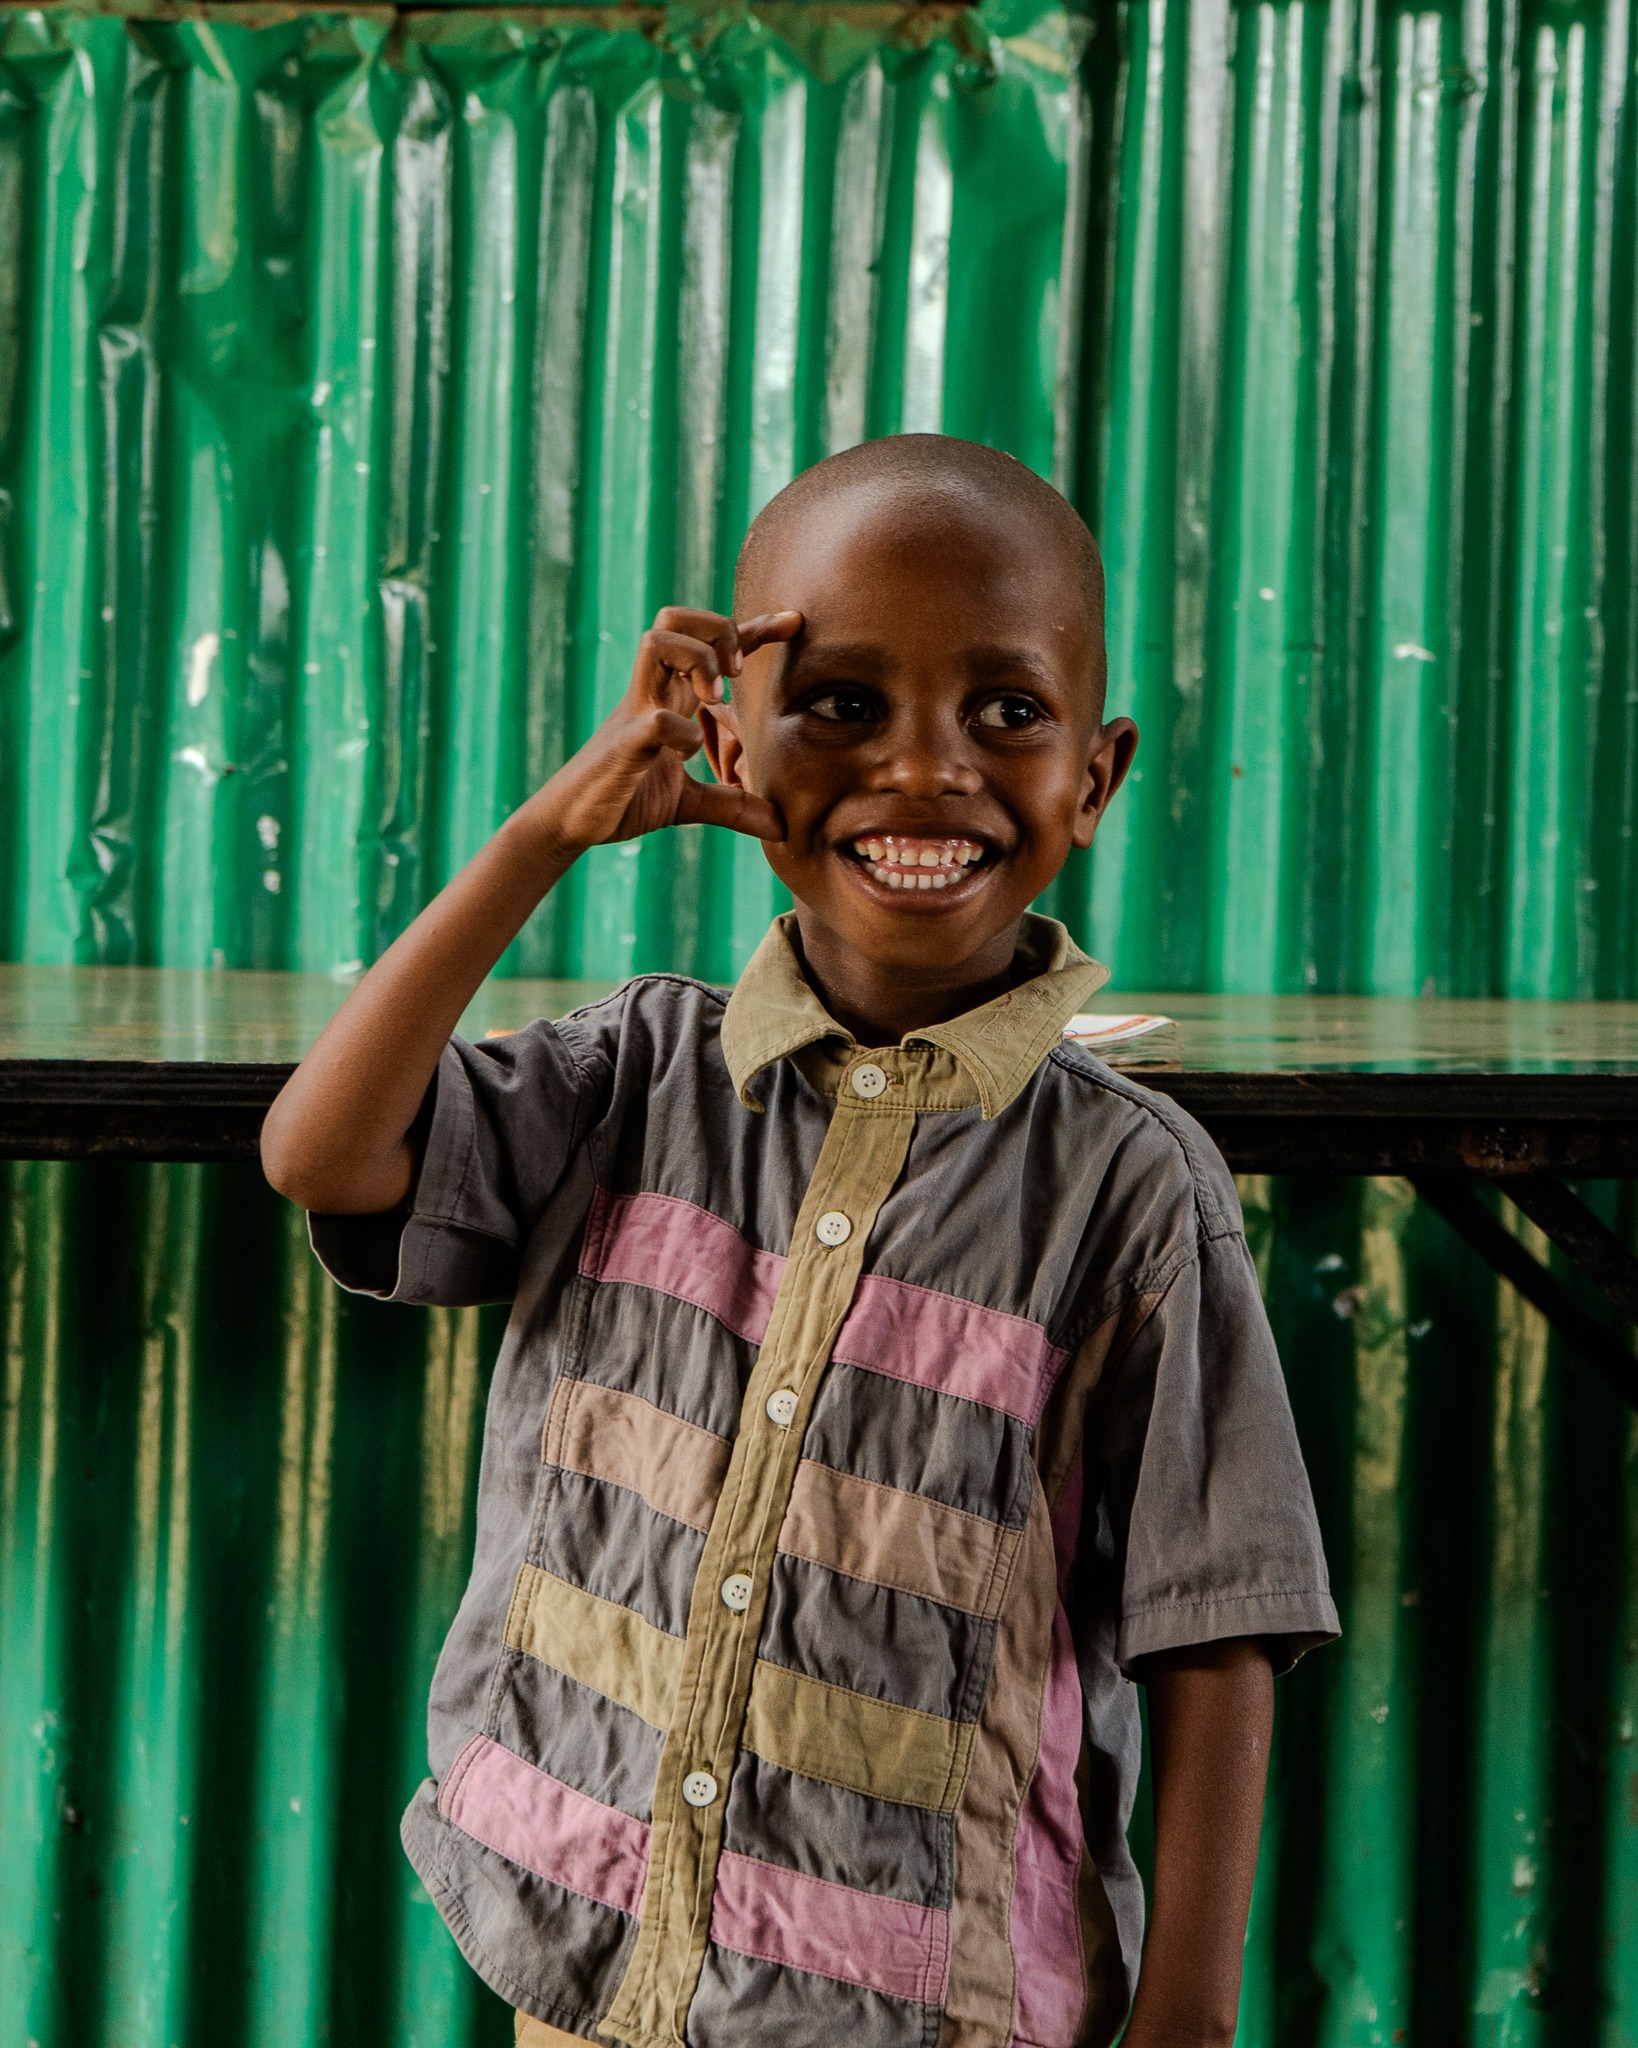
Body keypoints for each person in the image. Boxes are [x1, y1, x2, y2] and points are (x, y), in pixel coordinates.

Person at [262, 434, 1337, 2048]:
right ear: (726, 738)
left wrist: (1183, 2014)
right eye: (838, 704)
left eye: (1006, 711)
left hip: (920, 1993)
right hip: (594, 1945)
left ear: (1093, 777)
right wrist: (545, 834)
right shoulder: (627, 1078)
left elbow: (1217, 1627)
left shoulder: (1126, 1189)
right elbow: (322, 1151)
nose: (922, 769)